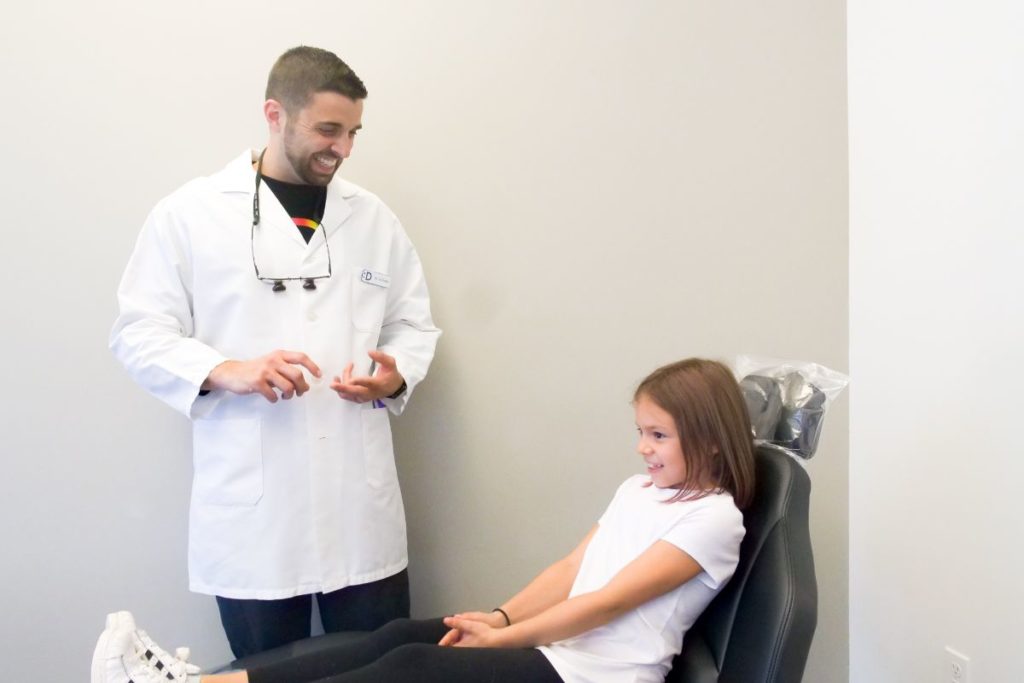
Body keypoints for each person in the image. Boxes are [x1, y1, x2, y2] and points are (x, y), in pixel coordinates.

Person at [92, 359, 756, 683]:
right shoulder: (641, 488)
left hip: (595, 676)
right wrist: (496, 617)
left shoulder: (715, 520)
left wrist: (506, 640)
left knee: (414, 664)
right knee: (410, 630)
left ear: (710, 436)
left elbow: (606, 604)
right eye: (641, 432)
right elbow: (573, 570)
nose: (643, 448)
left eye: (658, 436)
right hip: (558, 649)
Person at [109, 46, 441, 658]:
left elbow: (413, 326)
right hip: (254, 515)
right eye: (328, 130)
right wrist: (225, 370)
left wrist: (393, 379)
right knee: (263, 672)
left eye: (353, 133)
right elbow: (136, 332)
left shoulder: (372, 219)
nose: (343, 148)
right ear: (275, 114)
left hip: (357, 512)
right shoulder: (191, 215)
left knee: (383, 668)